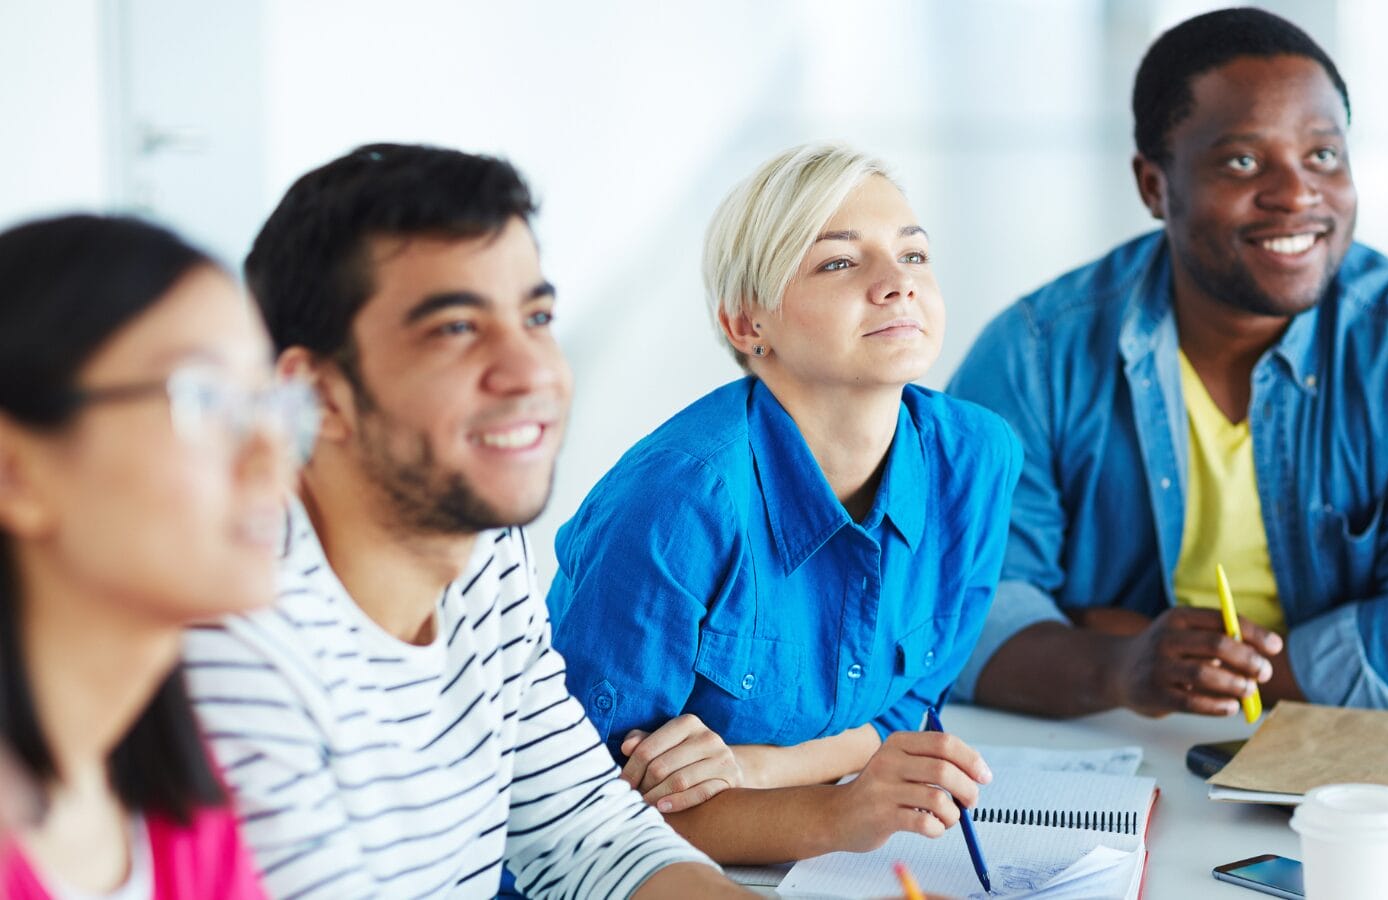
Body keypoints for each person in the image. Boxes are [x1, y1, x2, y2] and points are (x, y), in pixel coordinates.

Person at [182, 144, 746, 898]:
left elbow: (591, 831)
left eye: (536, 316)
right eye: (455, 328)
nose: (531, 370)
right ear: (318, 390)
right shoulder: (236, 641)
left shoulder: (479, 547)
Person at [947, 8, 1388, 719]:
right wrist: (1125, 667)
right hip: (1108, 758)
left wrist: (1181, 662)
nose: (1296, 194)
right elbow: (963, 618)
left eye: (1323, 155)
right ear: (1154, 187)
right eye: (1244, 161)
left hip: (1352, 773)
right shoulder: (1036, 353)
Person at [546, 142, 1021, 864]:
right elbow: (581, 816)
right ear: (746, 325)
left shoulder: (978, 458)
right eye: (838, 262)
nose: (897, 284)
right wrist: (834, 814)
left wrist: (752, 770)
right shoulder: (677, 501)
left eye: (914, 256)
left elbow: (907, 707)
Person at [0, 215, 308, 898]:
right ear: (15, 472)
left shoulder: (180, 803)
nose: (272, 452)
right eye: (203, 398)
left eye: (269, 403)